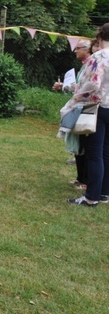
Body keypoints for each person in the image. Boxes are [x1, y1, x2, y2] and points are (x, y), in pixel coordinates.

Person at [62, 23, 109, 207]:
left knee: (94, 154)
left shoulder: (99, 57)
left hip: (98, 108)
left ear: (100, 36)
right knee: (106, 153)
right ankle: (104, 193)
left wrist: (75, 99)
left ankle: (91, 198)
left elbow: (93, 84)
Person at [54, 38, 92, 190]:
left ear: (87, 49)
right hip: (78, 108)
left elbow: (87, 88)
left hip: (88, 110)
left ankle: (86, 181)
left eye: (78, 48)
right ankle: (80, 178)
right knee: (79, 144)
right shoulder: (84, 66)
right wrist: (64, 86)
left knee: (86, 146)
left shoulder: (92, 65)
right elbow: (79, 86)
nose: (75, 51)